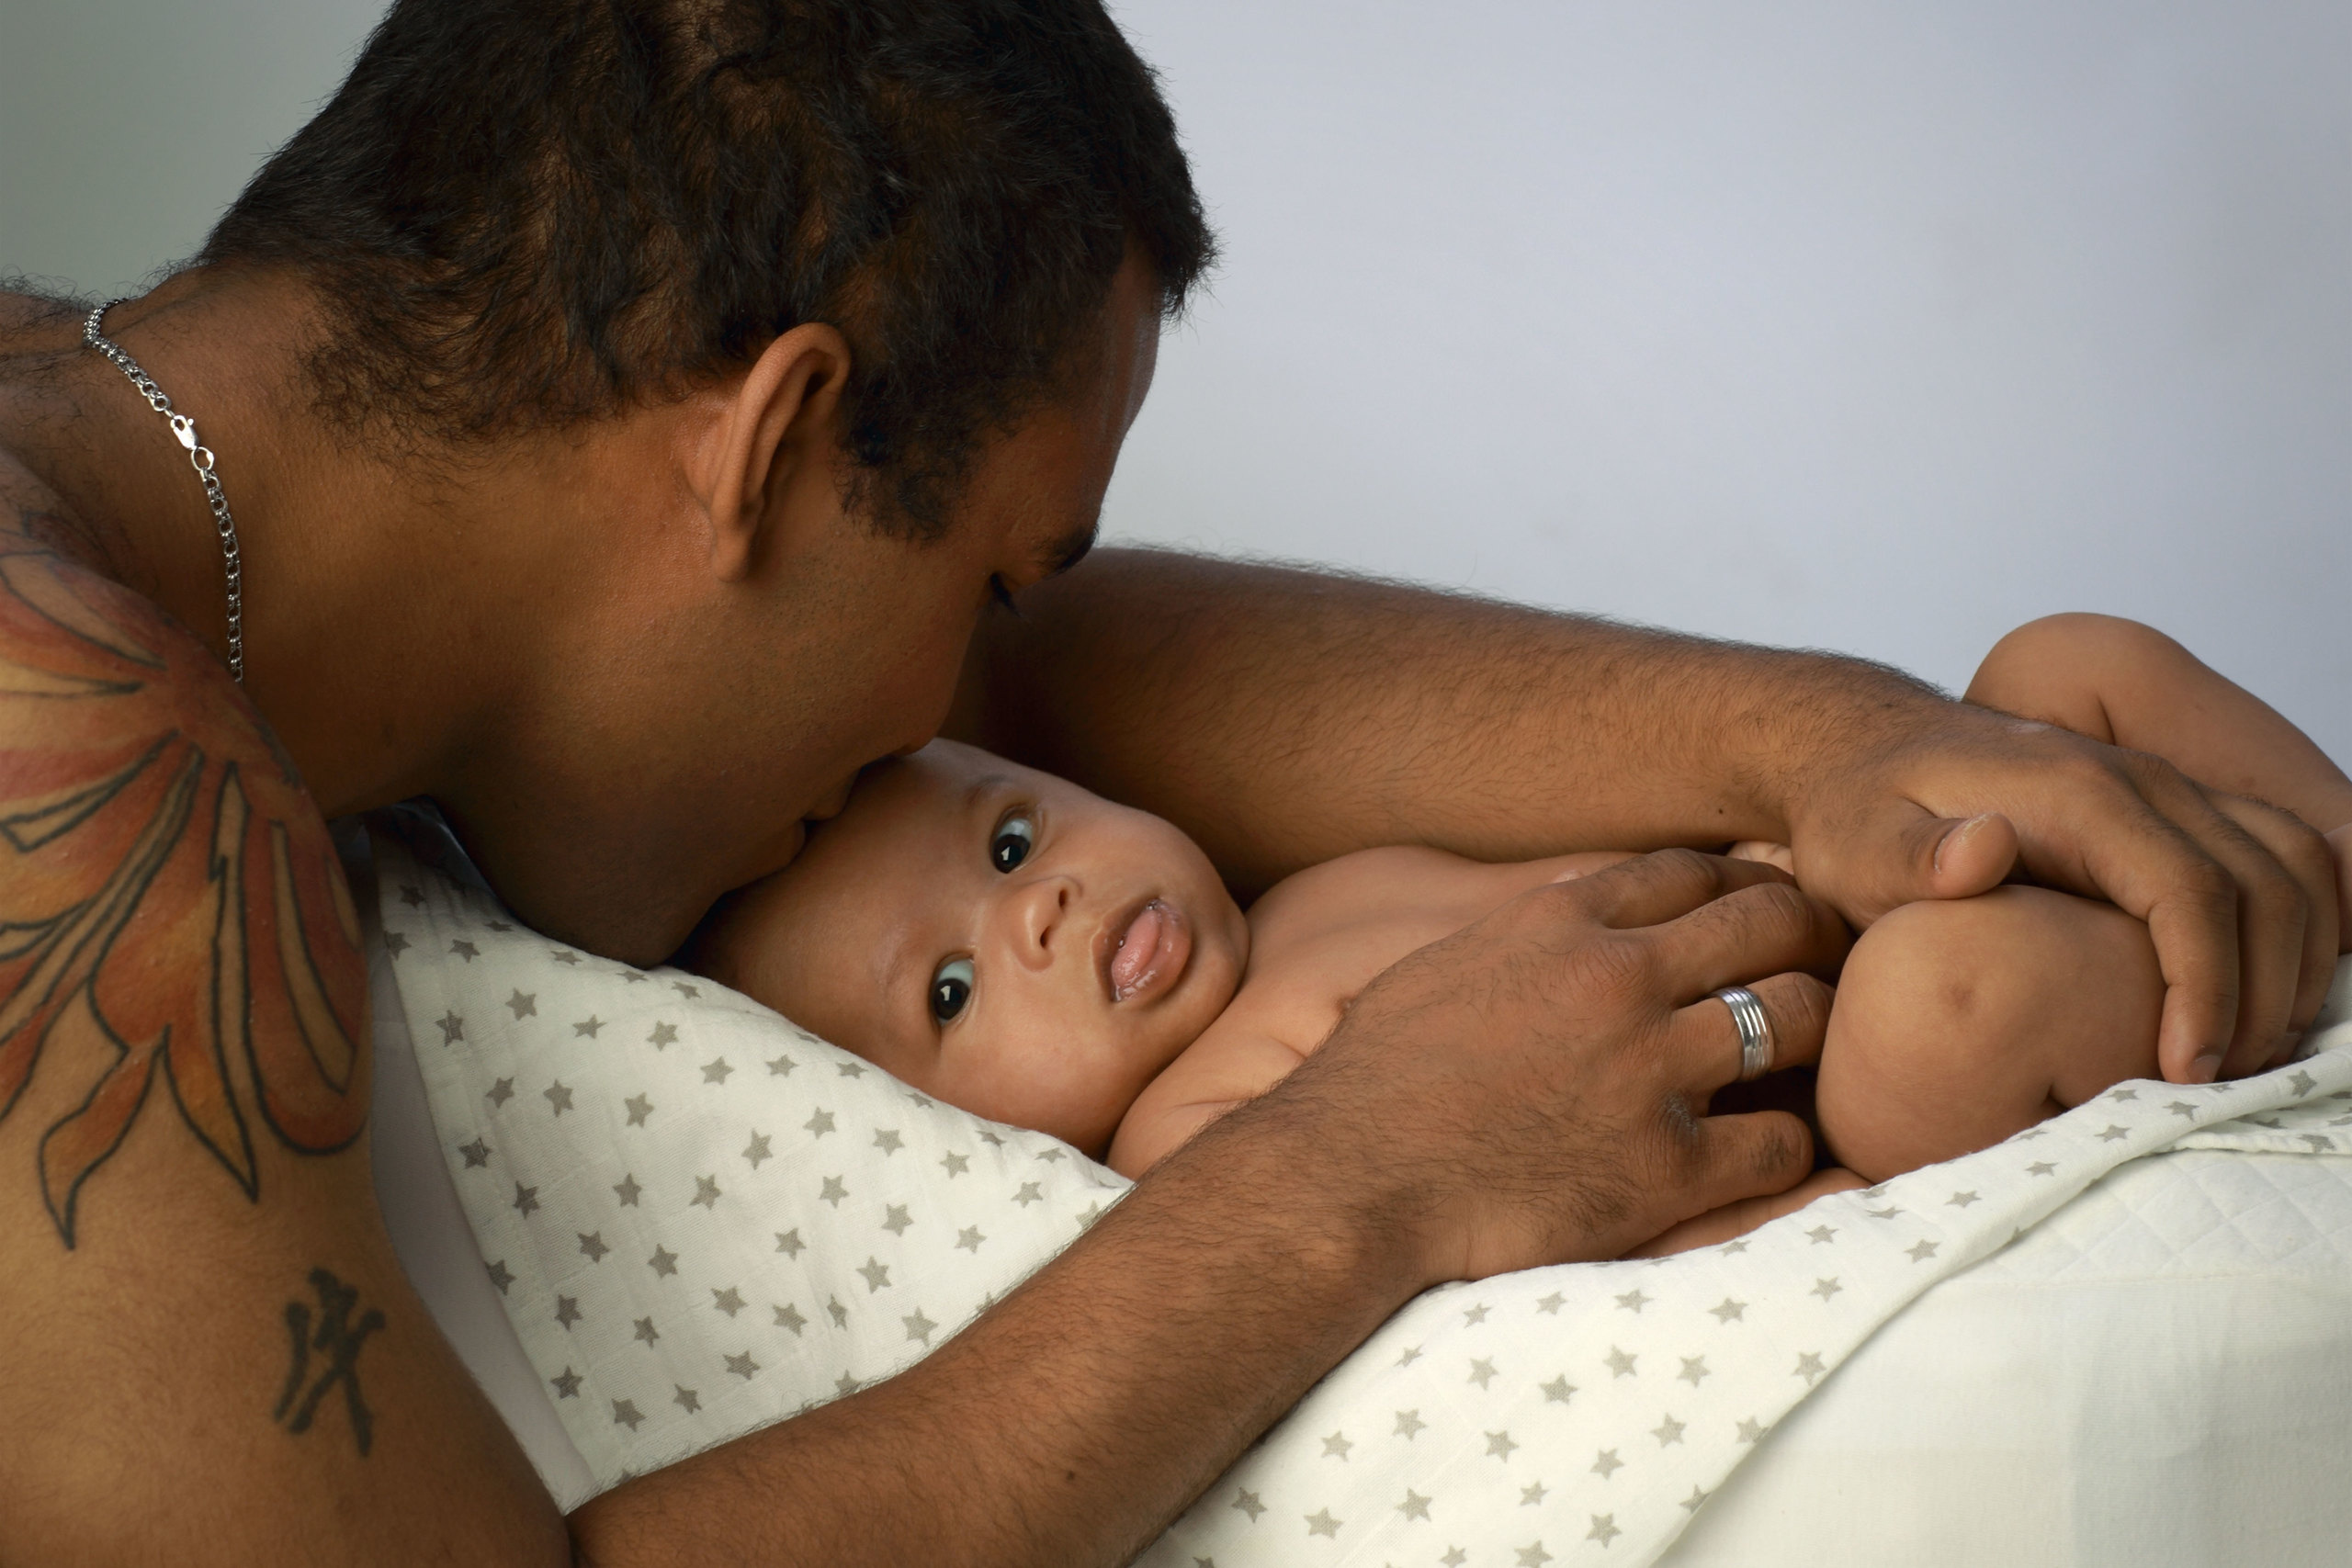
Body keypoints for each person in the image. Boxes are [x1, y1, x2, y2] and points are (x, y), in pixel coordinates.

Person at [0, 2, 2337, 1562]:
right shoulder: (86, 781)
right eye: (991, 574)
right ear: (771, 437)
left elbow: (1068, 677)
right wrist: (1351, 1176)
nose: (978, 703)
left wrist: (1821, 733)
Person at [689, 615, 2352, 1195]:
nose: (1041, 912)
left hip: (1855, 896)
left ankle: (2321, 867)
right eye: (952, 993)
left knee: (2067, 664)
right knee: (1936, 1016)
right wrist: (1802, 1210)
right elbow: (1507, 1220)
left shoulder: (1306, 880)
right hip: (1853, 1070)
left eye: (1008, 841)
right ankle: (2230, 960)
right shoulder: (1186, 1139)